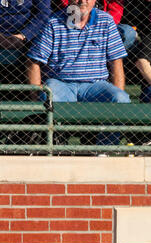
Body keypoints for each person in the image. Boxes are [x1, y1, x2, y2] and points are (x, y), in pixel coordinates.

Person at [27, 0, 130, 145]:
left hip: (95, 85)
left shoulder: (106, 21)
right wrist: (34, 98)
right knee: (48, 96)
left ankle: (104, 150)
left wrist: (117, 91)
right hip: (61, 84)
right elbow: (34, 61)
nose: (83, 1)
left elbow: (116, 62)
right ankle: (55, 146)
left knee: (121, 98)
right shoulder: (54, 22)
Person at [0, 0, 51, 96]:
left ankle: (35, 100)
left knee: (35, 55)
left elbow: (43, 14)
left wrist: (25, 34)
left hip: (28, 37)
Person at [58, 0, 137, 49]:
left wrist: (103, 25)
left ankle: (103, 63)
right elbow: (66, 4)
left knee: (128, 32)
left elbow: (116, 11)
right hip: (76, 22)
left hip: (102, 26)